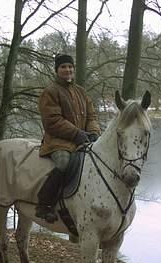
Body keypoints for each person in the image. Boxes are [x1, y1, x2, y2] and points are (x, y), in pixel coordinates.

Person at [36, 54, 101, 223]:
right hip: (58, 142)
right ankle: (45, 204)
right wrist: (77, 134)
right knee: (64, 164)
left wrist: (93, 132)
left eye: (70, 67)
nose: (68, 70)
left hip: (82, 139)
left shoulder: (81, 91)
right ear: (57, 70)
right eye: (63, 67)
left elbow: (92, 116)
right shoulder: (50, 92)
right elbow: (53, 121)